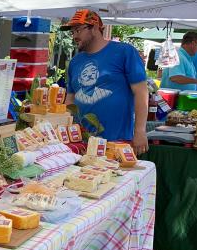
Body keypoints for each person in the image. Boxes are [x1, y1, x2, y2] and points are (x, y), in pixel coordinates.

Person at [61, 9, 149, 154]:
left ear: (94, 28)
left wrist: (140, 130)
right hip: (81, 143)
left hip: (117, 142)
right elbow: (70, 99)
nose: (74, 36)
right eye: (72, 32)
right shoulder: (75, 61)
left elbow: (141, 92)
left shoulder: (124, 52)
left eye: (78, 30)